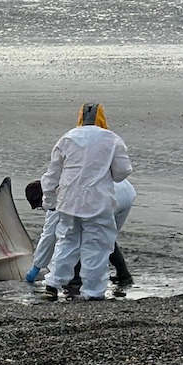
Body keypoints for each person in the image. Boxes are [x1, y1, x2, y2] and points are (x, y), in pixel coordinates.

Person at [39, 103, 133, 301]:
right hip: (97, 201)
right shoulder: (112, 139)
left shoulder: (67, 138)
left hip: (68, 201)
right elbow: (122, 172)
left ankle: (53, 284)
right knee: (97, 246)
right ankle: (93, 291)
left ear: (80, 117)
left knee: (66, 242)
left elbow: (52, 175)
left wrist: (49, 200)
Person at [24, 178, 135, 287]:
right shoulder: (58, 183)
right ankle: (123, 275)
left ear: (43, 198)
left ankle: (76, 279)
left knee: (76, 236)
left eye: (40, 206)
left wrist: (37, 266)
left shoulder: (56, 200)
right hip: (124, 191)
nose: (43, 208)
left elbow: (48, 236)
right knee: (106, 237)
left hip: (107, 198)